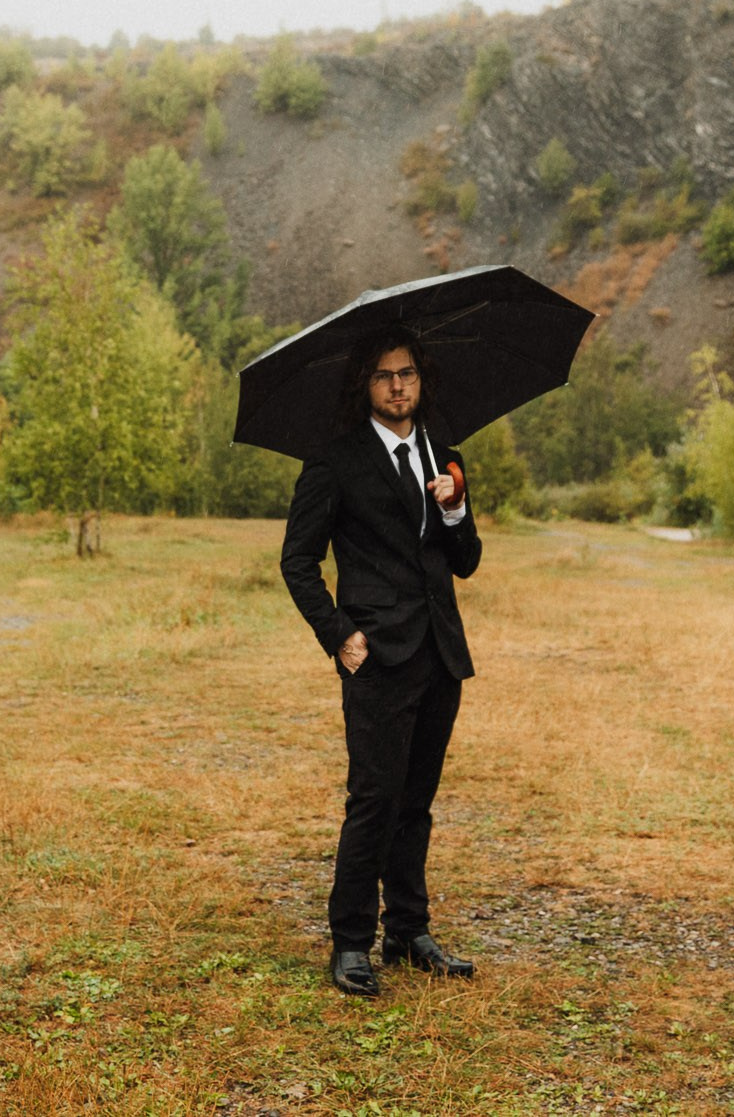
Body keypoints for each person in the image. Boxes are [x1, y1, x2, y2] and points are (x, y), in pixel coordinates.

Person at [278, 324, 483, 997]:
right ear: (365, 384)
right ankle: (350, 941)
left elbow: (467, 560)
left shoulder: (446, 457)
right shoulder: (335, 460)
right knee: (374, 799)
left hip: (440, 652)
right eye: (385, 375)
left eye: (410, 375)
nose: (400, 386)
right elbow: (298, 559)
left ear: (422, 381)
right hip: (376, 655)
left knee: (416, 801)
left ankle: (408, 929)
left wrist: (453, 511)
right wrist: (340, 633)